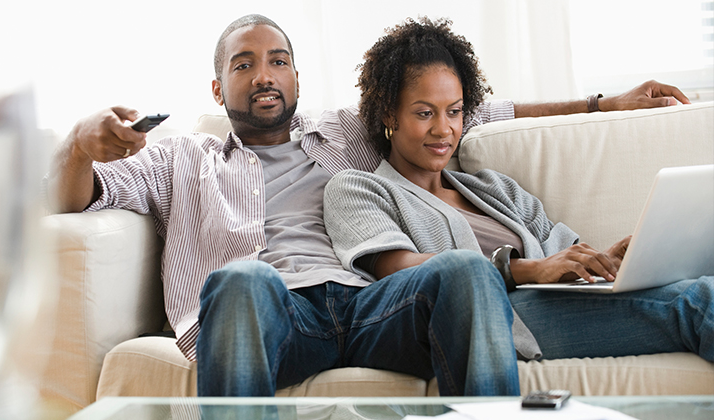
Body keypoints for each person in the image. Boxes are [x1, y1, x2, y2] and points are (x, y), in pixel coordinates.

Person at [45, 14, 695, 396]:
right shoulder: (177, 158)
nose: (265, 73)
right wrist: (80, 144)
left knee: (463, 269)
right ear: (219, 86)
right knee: (241, 278)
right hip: (270, 312)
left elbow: (471, 110)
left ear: (297, 78)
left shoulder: (345, 132)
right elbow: (74, 198)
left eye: (279, 60)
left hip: (363, 304)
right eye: (245, 64)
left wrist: (602, 104)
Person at [322, 17, 713, 385]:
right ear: (389, 112)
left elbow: (562, 253)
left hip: (557, 303)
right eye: (425, 113)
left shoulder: (495, 188)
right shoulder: (357, 189)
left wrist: (609, 260)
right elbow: (402, 270)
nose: (444, 130)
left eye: (455, 112)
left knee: (704, 282)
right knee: (697, 301)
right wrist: (525, 270)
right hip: (501, 322)